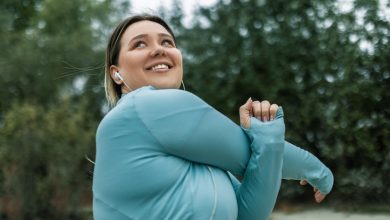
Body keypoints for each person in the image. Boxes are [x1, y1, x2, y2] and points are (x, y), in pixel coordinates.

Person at [92, 14, 334, 220]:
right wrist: (320, 173)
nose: (159, 49)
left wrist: (267, 137)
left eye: (167, 42)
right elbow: (247, 152)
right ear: (116, 74)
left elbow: (248, 214)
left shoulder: (196, 151)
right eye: (140, 45)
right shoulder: (142, 106)